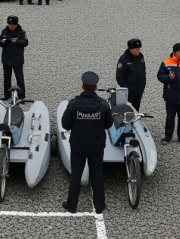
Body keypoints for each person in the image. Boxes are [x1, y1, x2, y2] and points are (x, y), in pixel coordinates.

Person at [61, 71, 112, 214]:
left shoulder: (73, 105)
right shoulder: (103, 105)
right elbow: (108, 125)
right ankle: (99, 206)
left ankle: (72, 206)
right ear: (96, 87)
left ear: (82, 86)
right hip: (96, 146)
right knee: (97, 174)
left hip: (78, 145)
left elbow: (65, 125)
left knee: (76, 174)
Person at [0, 15, 28, 99]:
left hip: (17, 59)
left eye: (12, 25)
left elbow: (25, 43)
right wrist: (2, 42)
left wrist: (17, 41)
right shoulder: (4, 31)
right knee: (6, 79)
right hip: (6, 59)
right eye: (9, 24)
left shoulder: (21, 32)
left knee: (19, 78)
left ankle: (21, 96)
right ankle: (7, 95)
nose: (10, 26)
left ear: (16, 25)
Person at [115, 39, 146, 111]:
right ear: (130, 49)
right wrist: (126, 89)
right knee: (129, 111)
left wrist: (143, 84)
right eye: (136, 49)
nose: (138, 50)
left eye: (139, 48)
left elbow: (143, 72)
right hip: (129, 93)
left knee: (136, 110)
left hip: (139, 90)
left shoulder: (140, 57)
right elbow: (119, 77)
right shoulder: (124, 60)